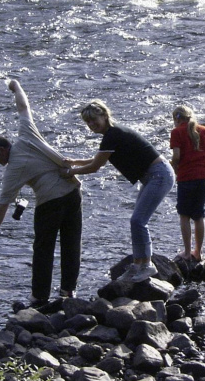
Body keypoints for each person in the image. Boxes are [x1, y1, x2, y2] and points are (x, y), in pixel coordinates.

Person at [0, 80, 82, 306]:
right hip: (73, 193)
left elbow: (2, 205)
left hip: (50, 204)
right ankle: (68, 291)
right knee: (71, 243)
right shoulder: (27, 134)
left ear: (2, 149)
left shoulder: (14, 169)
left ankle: (39, 296)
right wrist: (17, 86)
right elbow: (23, 107)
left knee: (43, 249)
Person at [62, 100, 175, 283]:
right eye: (87, 122)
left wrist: (70, 172)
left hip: (159, 175)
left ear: (105, 115)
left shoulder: (112, 135)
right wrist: (75, 161)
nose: (91, 125)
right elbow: (99, 159)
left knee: (138, 221)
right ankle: (138, 265)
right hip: (155, 176)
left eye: (94, 120)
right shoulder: (112, 135)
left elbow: (95, 167)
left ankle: (147, 265)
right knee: (136, 222)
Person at [170, 105, 205, 261]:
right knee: (199, 214)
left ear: (177, 119)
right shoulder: (204, 130)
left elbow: (176, 156)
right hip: (204, 177)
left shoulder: (176, 132)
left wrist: (172, 166)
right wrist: (202, 163)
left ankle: (186, 252)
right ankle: (198, 252)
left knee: (184, 214)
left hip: (186, 177)